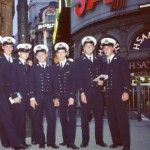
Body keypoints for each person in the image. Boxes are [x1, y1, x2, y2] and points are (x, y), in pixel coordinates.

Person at [74, 36, 107, 148]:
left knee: (99, 116)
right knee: (84, 117)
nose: (88, 48)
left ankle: (99, 140)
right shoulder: (79, 61)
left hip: (97, 92)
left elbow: (103, 74)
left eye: (90, 46)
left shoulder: (99, 60)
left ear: (93, 47)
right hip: (85, 92)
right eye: (86, 46)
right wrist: (82, 92)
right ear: (83, 48)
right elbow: (77, 77)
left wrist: (102, 81)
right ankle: (85, 140)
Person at [99, 37, 131, 150]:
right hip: (109, 94)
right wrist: (100, 82)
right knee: (112, 119)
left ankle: (126, 145)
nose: (106, 49)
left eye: (108, 47)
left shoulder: (121, 60)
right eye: (104, 48)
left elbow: (127, 77)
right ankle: (116, 141)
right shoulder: (103, 63)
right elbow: (104, 79)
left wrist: (126, 91)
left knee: (122, 119)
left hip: (119, 94)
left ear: (113, 48)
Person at [0, 36, 28, 149]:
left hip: (11, 93)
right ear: (2, 47)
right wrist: (12, 94)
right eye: (6, 46)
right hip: (2, 93)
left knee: (9, 116)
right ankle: (15, 144)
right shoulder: (1, 61)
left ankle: (5, 141)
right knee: (7, 117)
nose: (9, 48)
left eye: (11, 47)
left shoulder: (15, 61)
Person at [29, 44, 59, 149]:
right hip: (37, 98)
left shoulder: (52, 68)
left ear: (46, 55)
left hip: (49, 97)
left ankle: (51, 142)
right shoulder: (32, 69)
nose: (41, 56)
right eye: (39, 55)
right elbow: (30, 84)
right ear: (36, 57)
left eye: (43, 54)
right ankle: (41, 141)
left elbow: (55, 84)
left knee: (52, 119)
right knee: (38, 120)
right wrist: (32, 98)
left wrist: (56, 97)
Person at [53, 42, 79, 149]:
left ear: (66, 53)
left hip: (70, 97)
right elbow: (53, 84)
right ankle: (65, 139)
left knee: (72, 119)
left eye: (63, 52)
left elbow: (74, 82)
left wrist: (72, 96)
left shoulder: (72, 65)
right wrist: (55, 97)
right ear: (57, 54)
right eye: (59, 53)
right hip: (60, 97)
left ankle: (71, 142)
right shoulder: (55, 67)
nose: (61, 54)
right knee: (63, 119)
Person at [10, 43, 32, 149]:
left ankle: (22, 141)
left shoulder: (26, 65)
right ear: (19, 53)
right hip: (19, 97)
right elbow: (12, 82)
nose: (26, 53)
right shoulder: (15, 64)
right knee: (19, 120)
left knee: (23, 120)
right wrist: (15, 96)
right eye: (23, 52)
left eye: (27, 52)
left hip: (26, 97)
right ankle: (17, 143)